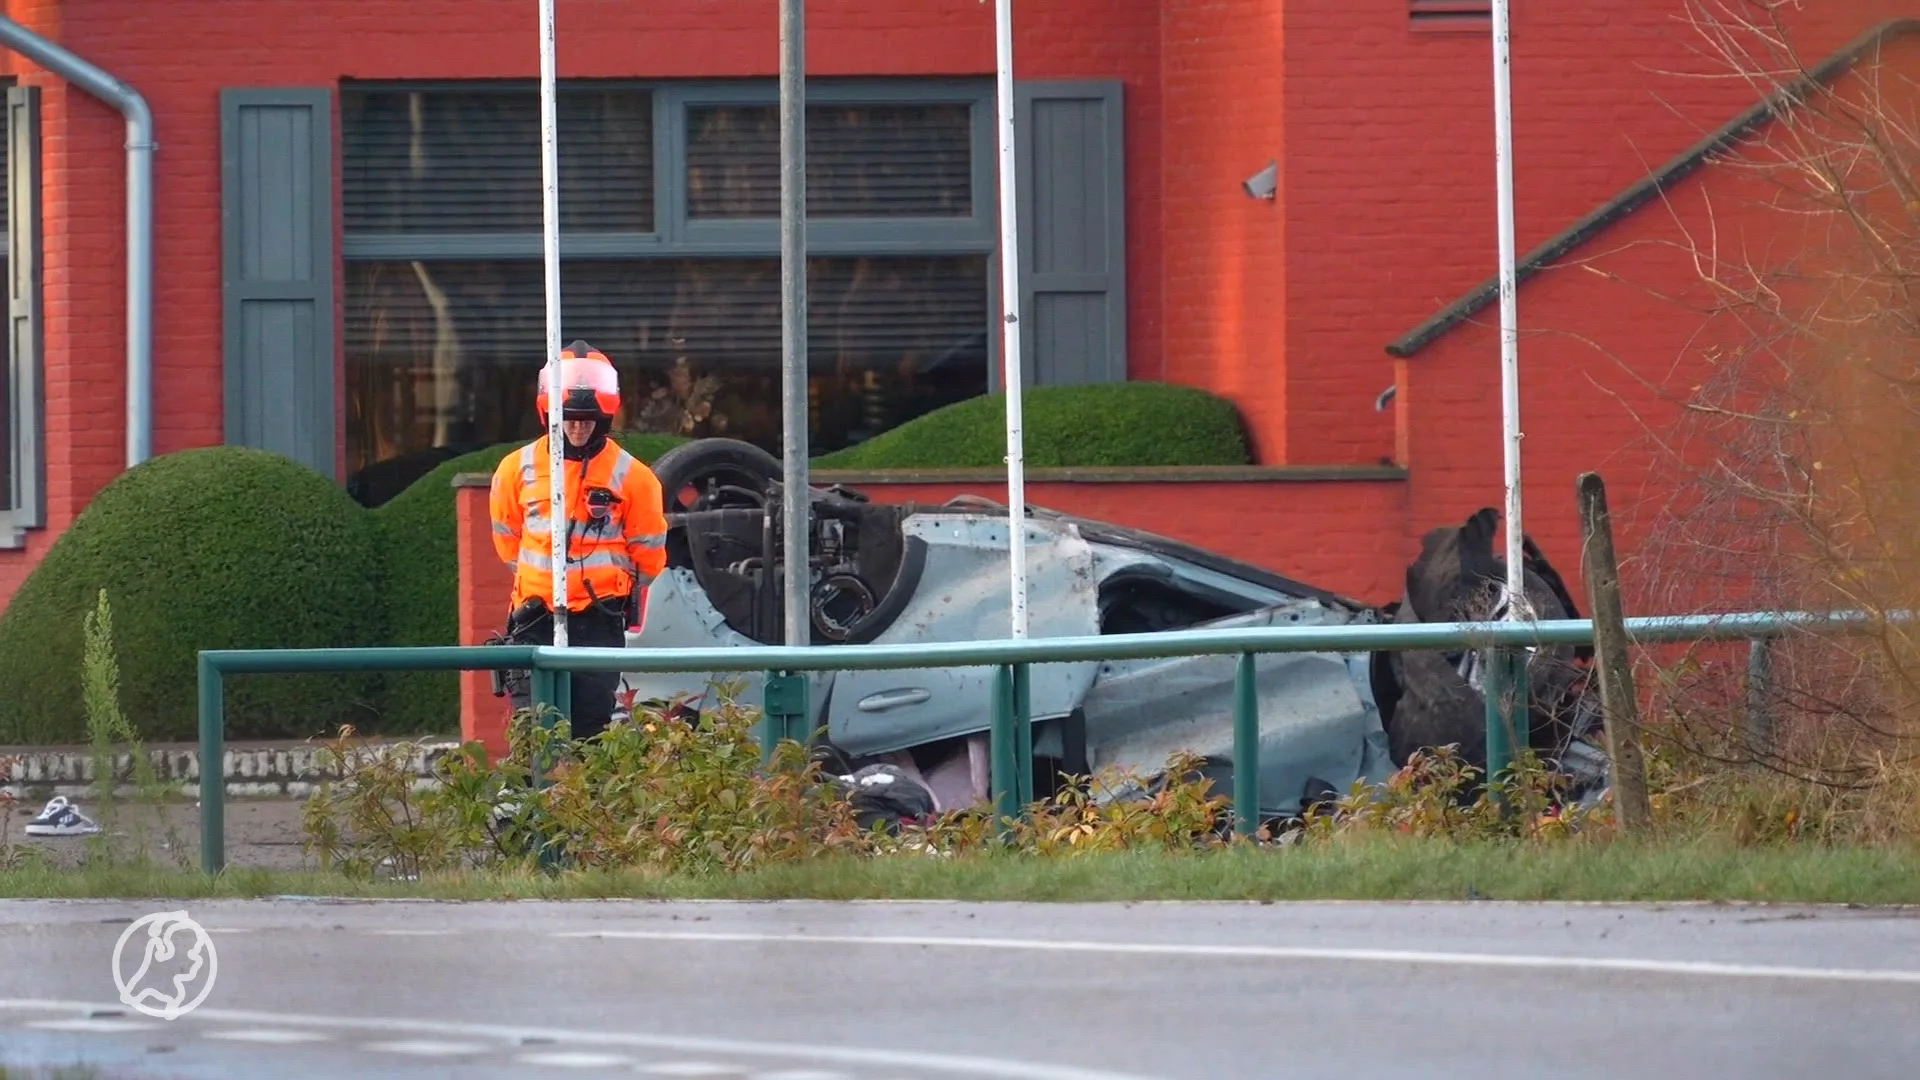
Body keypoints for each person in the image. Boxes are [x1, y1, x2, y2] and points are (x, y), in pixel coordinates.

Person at [489, 340, 669, 743]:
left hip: (598, 620)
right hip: (534, 618)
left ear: (604, 419)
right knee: (533, 733)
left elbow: (649, 557)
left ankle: (583, 807)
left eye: (587, 420)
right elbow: (508, 541)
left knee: (590, 733)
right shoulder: (515, 469)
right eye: (568, 419)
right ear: (550, 415)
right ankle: (526, 805)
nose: (577, 427)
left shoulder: (634, 478)